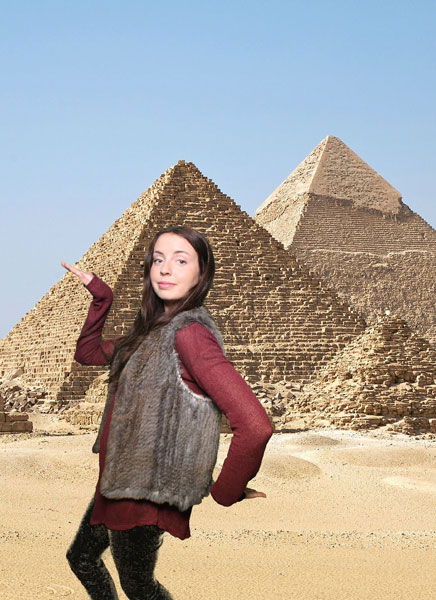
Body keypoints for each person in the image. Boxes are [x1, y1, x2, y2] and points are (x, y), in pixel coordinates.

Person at [63, 225, 273, 599]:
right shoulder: (147, 335)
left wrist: (225, 492)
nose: (165, 269)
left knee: (139, 587)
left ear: (201, 274)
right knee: (81, 558)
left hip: (145, 493)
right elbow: (88, 354)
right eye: (158, 259)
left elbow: (255, 425)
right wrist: (101, 298)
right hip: (117, 482)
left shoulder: (189, 334)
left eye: (180, 260)